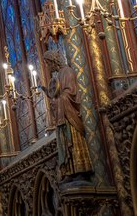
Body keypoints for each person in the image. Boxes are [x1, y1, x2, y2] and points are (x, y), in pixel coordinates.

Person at [43, 49, 93, 181]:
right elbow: (59, 92)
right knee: (65, 143)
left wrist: (56, 101)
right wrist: (50, 95)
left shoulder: (67, 72)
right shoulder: (59, 74)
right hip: (63, 116)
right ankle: (70, 171)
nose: (48, 67)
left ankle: (80, 169)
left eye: (48, 63)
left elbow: (70, 93)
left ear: (54, 61)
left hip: (70, 116)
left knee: (73, 141)